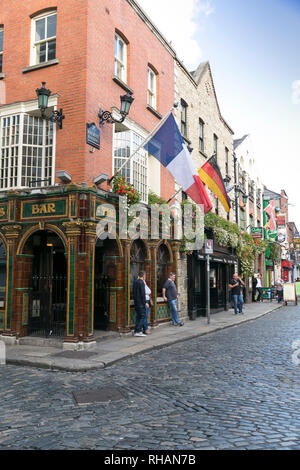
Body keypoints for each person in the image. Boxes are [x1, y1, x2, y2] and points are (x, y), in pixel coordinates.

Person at [132, 271, 147, 337]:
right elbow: (142, 294)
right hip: (141, 303)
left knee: (138, 317)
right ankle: (138, 331)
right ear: (143, 276)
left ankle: (136, 331)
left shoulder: (135, 282)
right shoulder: (141, 283)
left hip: (136, 302)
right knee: (142, 316)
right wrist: (145, 302)